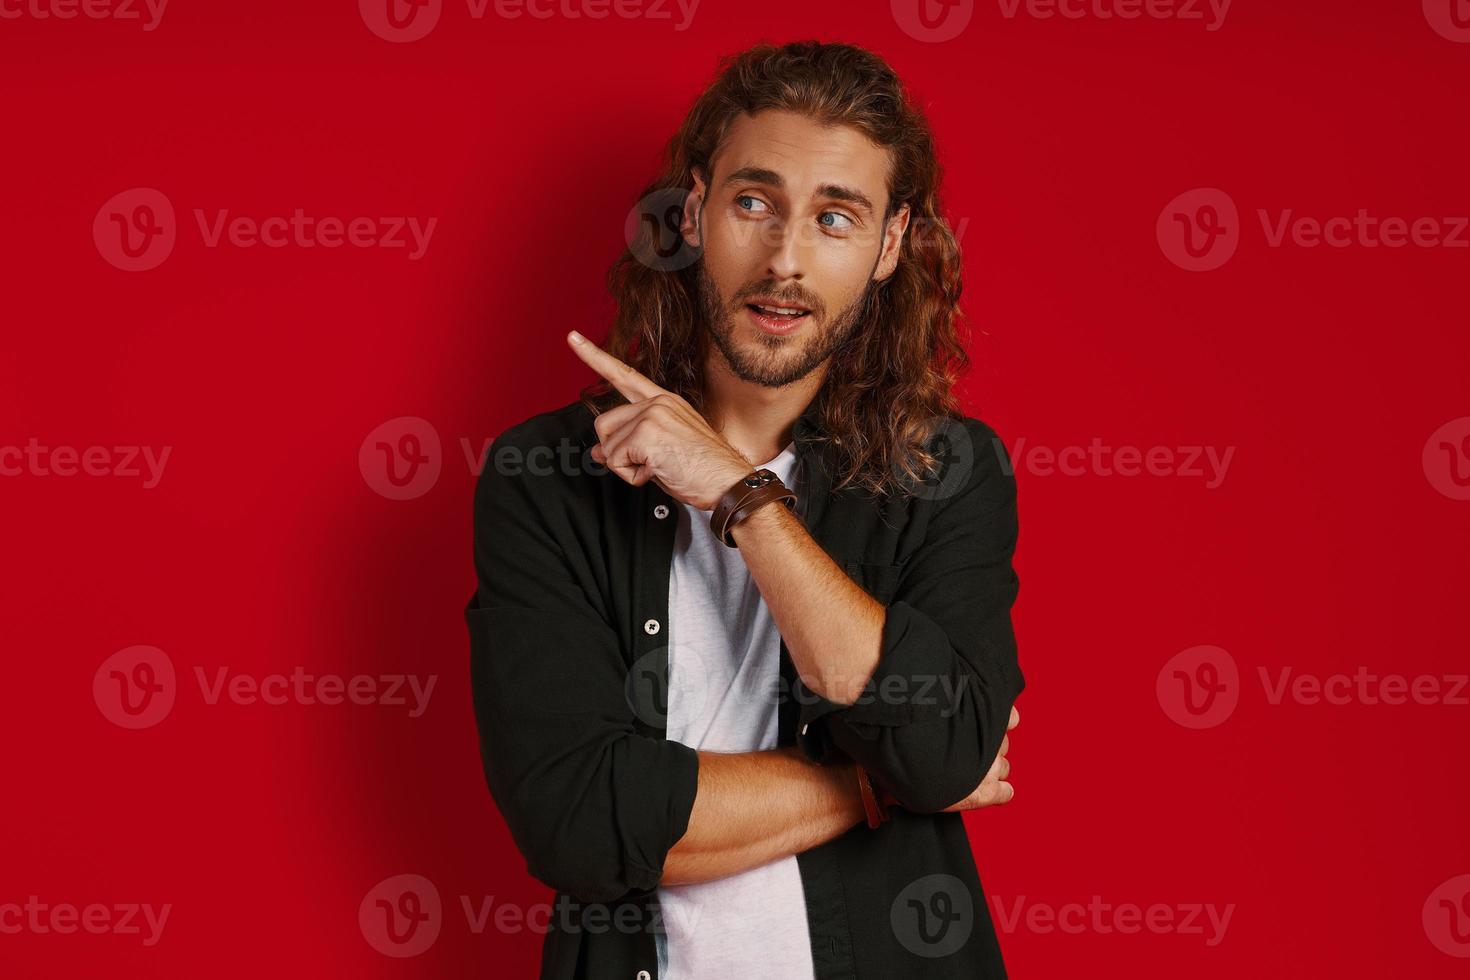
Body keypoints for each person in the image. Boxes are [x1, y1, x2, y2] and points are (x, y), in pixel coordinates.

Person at [467, 39, 1025, 979]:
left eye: (835, 219)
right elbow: (581, 823)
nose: (785, 260)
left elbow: (940, 746)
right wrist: (877, 786)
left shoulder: (949, 471)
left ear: (890, 245)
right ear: (694, 211)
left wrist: (740, 492)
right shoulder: (547, 473)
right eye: (754, 203)